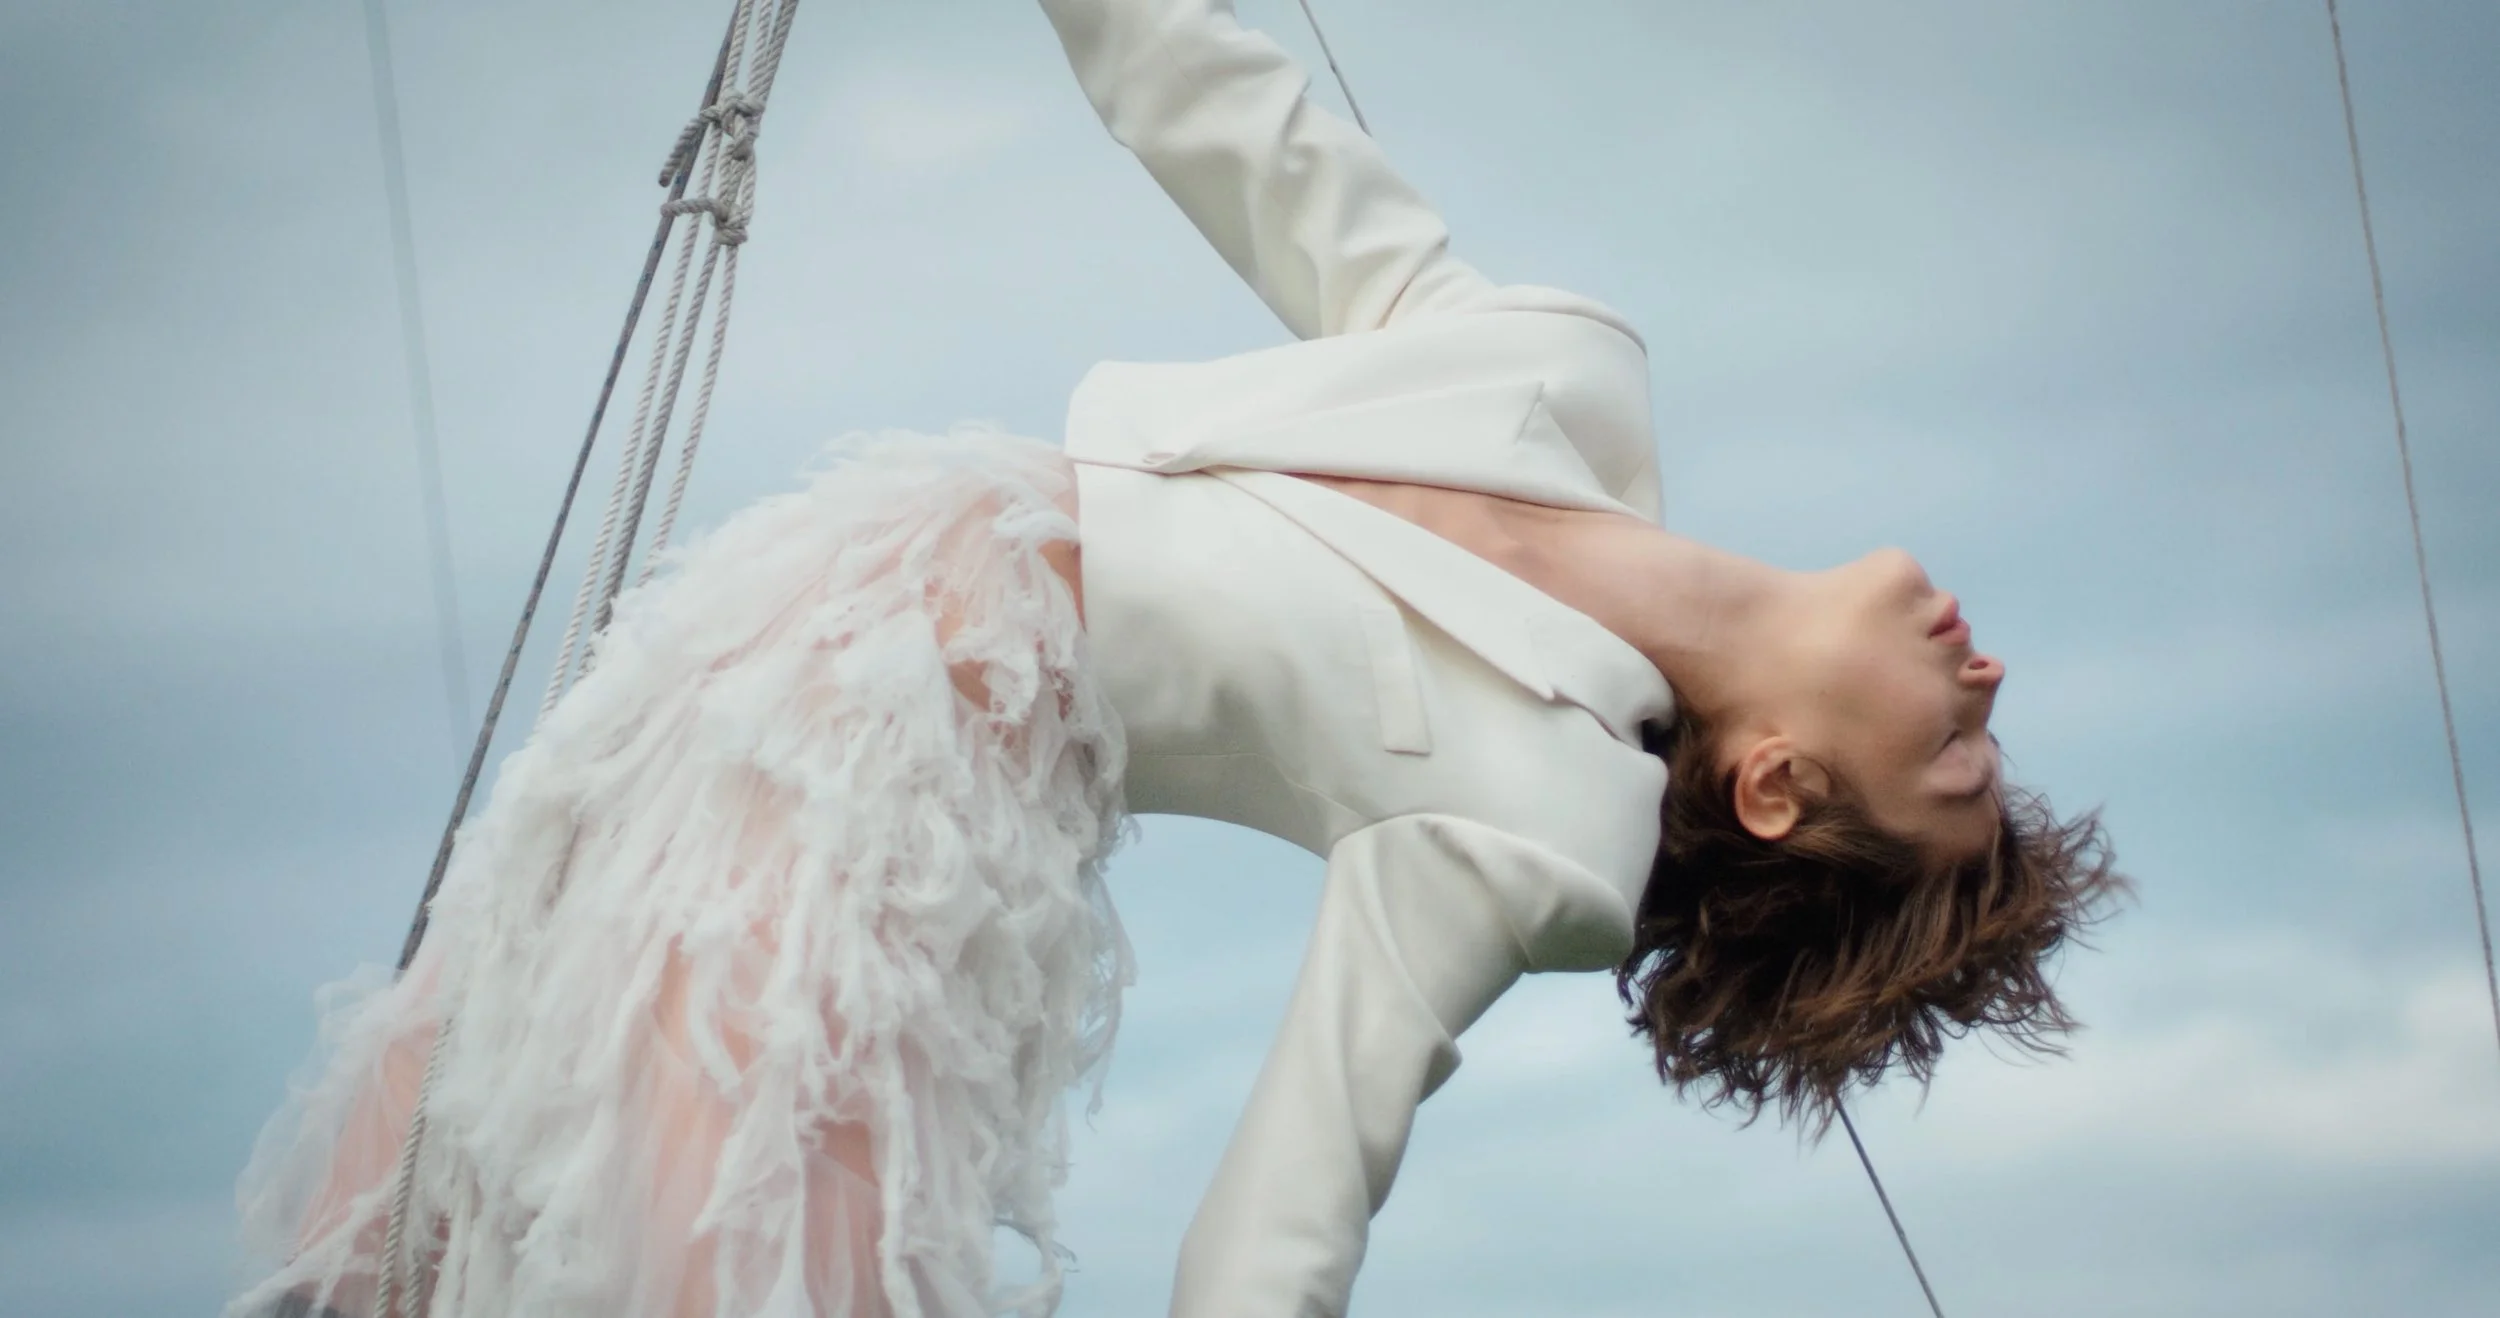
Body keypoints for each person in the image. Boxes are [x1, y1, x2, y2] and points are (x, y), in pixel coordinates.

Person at [229, 1, 2123, 1315]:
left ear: (1775, 786)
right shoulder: (1570, 381)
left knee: (702, 1212)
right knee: (461, 1141)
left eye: (1955, 764)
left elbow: (1282, 1231)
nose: (1989, 691)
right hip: (795, 612)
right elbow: (1218, 110)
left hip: (902, 775)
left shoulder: (1542, 837)